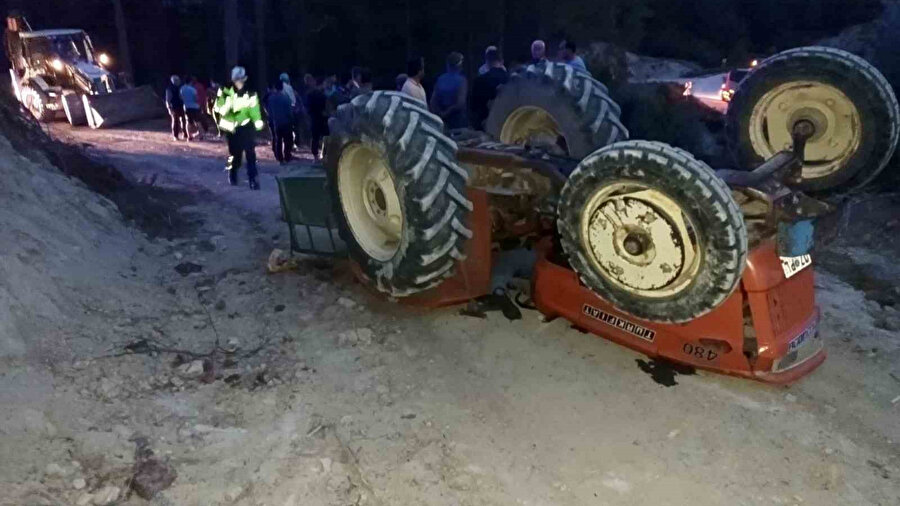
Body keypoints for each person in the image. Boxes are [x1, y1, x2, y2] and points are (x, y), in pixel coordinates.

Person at [215, 66, 265, 190]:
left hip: (247, 127)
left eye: (241, 79)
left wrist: (257, 121)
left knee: (250, 154)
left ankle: (253, 179)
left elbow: (254, 109)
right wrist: (226, 107)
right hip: (232, 128)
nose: (239, 81)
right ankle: (232, 172)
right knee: (235, 155)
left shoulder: (251, 93)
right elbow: (218, 107)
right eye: (237, 79)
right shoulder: (225, 91)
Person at [470, 47, 508, 130]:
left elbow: (473, 106)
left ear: (487, 61)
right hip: (506, 125)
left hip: (484, 124)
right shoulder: (510, 80)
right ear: (502, 61)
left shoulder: (479, 81)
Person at [430, 51, 468, 130]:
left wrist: (439, 113)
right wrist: (447, 112)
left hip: (441, 118)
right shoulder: (461, 81)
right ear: (460, 65)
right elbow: (460, 103)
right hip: (457, 119)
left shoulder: (440, 79)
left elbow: (433, 101)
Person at [267, 80, 294, 164]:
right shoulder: (285, 97)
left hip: (276, 122)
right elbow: (289, 111)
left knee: (278, 140)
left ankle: (280, 157)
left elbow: (269, 110)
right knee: (288, 140)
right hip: (286, 121)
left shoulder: (271, 98)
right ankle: (287, 156)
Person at [306, 76, 329, 162]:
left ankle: (315, 156)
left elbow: (308, 107)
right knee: (325, 137)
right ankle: (324, 154)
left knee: (314, 138)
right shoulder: (323, 95)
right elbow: (326, 107)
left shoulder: (310, 94)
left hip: (313, 118)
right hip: (323, 118)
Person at [165, 75, 186, 141]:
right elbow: (168, 99)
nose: (177, 81)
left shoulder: (179, 87)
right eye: (176, 80)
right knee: (176, 121)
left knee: (183, 120)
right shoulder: (170, 88)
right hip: (174, 106)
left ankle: (185, 134)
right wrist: (168, 107)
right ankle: (176, 135)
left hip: (180, 105)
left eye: (178, 80)